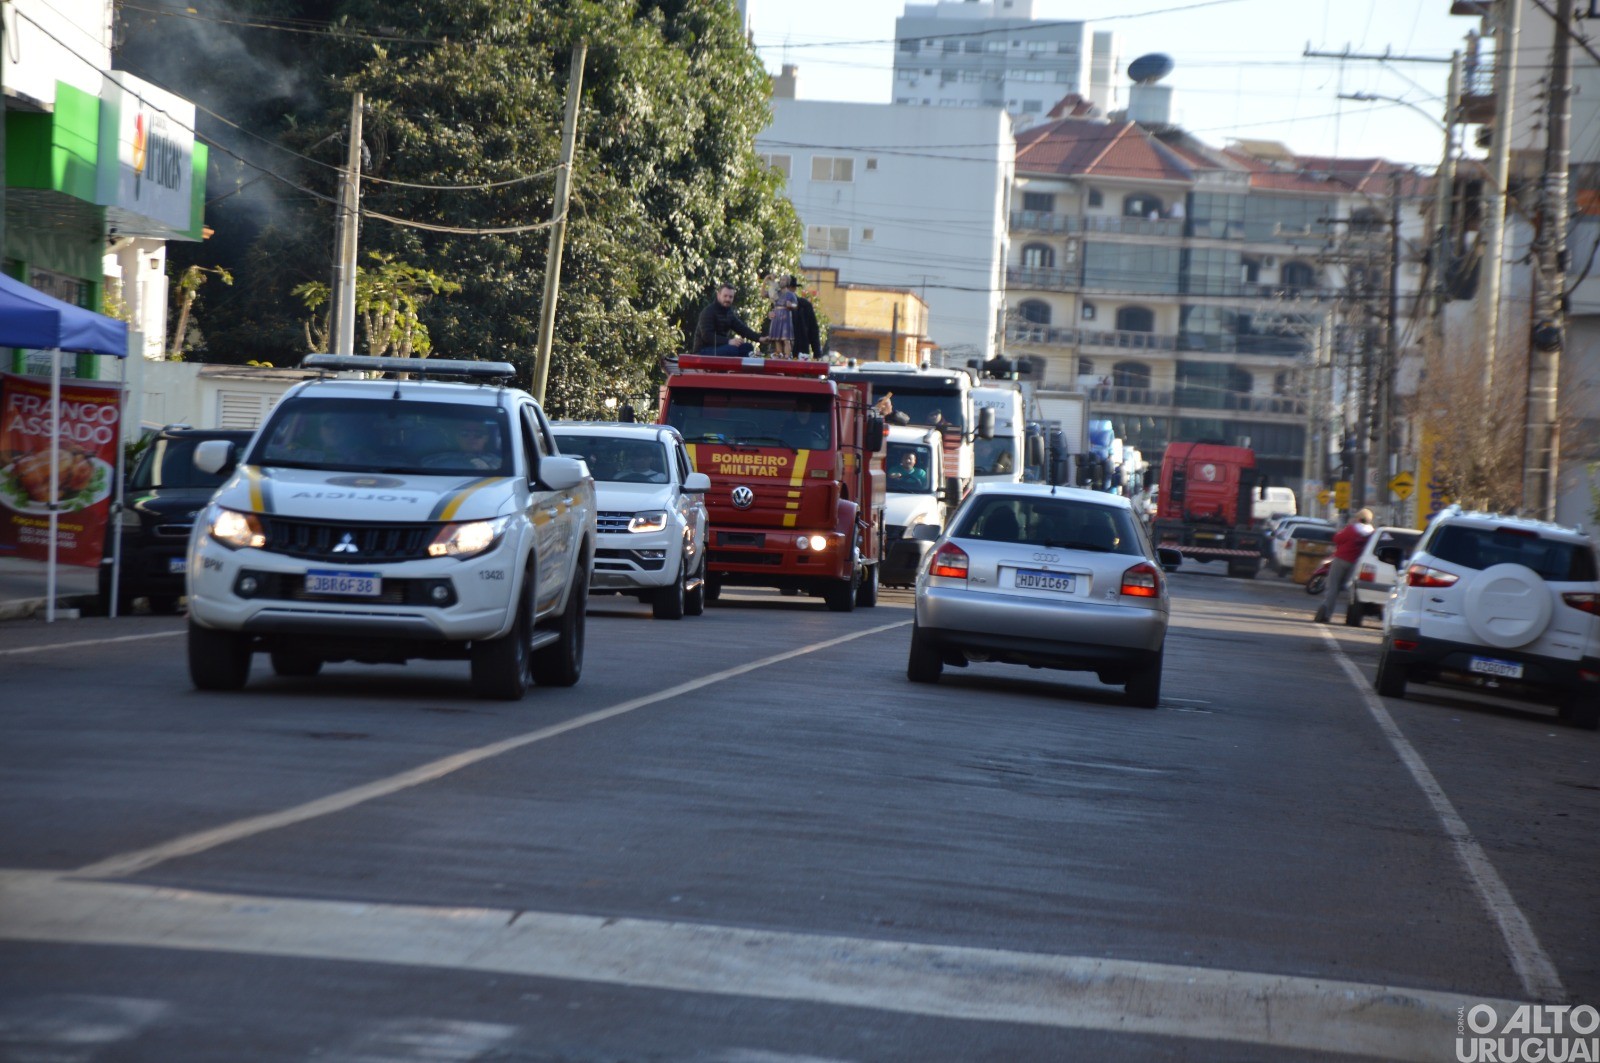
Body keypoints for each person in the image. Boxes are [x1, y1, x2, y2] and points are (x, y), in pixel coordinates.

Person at [1314, 508, 1374, 623]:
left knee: (1332, 587)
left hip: (1341, 559)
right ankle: (1352, 616)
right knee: (1350, 589)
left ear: (1358, 518)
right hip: (1356, 563)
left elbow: (1337, 538)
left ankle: (1326, 613)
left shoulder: (1352, 529)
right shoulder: (1371, 533)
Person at [692, 283, 763, 356]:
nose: (728, 299)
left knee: (747, 347)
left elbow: (742, 328)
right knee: (732, 350)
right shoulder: (708, 312)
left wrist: (760, 338)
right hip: (703, 350)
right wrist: (728, 341)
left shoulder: (729, 313)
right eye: (725, 296)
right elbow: (707, 336)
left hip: (720, 347)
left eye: (730, 297)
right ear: (718, 295)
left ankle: (752, 357)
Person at [789, 276, 822, 359]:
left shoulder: (805, 305)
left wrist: (817, 353)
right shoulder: (777, 304)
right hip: (780, 350)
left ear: (793, 289)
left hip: (800, 350)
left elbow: (813, 330)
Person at [767, 280, 797, 357]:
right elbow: (766, 295)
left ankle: (787, 355)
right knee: (777, 338)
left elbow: (795, 305)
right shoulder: (777, 293)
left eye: (784, 279)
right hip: (777, 316)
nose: (781, 281)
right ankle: (779, 354)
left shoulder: (791, 294)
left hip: (785, 316)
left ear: (787, 282)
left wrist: (791, 305)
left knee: (786, 338)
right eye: (781, 279)